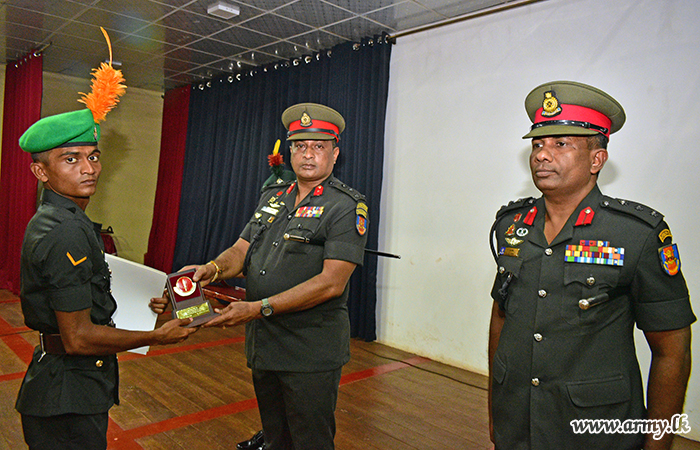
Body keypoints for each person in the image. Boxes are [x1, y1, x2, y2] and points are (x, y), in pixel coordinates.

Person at [488, 80, 695, 450]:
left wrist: (658, 444)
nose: (542, 155)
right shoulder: (511, 225)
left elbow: (672, 351)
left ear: (597, 159)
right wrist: (495, 412)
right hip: (517, 424)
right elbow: (501, 315)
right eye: (537, 144)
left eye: (560, 144)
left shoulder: (636, 234)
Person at [15, 32, 197, 450]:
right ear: (41, 172)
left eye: (93, 155)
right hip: (66, 398)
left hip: (68, 385)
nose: (89, 168)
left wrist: (143, 300)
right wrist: (157, 336)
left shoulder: (65, 219)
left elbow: (85, 292)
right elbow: (78, 337)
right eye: (71, 159)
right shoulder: (64, 230)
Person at [150, 102, 369, 450]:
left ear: (335, 153)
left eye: (318, 146)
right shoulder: (274, 196)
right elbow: (241, 250)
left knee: (310, 440)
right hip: (265, 343)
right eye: (299, 145)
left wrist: (256, 307)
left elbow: (331, 283)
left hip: (309, 349)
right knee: (276, 437)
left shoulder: (345, 206)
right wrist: (212, 269)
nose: (307, 154)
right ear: (290, 151)